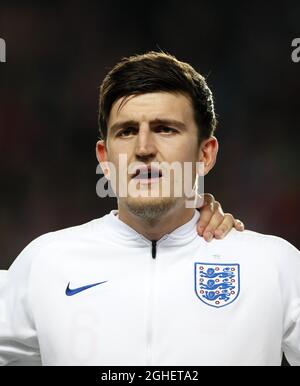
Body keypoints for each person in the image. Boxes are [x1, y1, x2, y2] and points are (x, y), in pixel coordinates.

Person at [0, 51, 299, 366]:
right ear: (105, 157)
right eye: (126, 131)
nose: (143, 149)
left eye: (165, 129)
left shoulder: (274, 266)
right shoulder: (45, 262)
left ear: (205, 154)